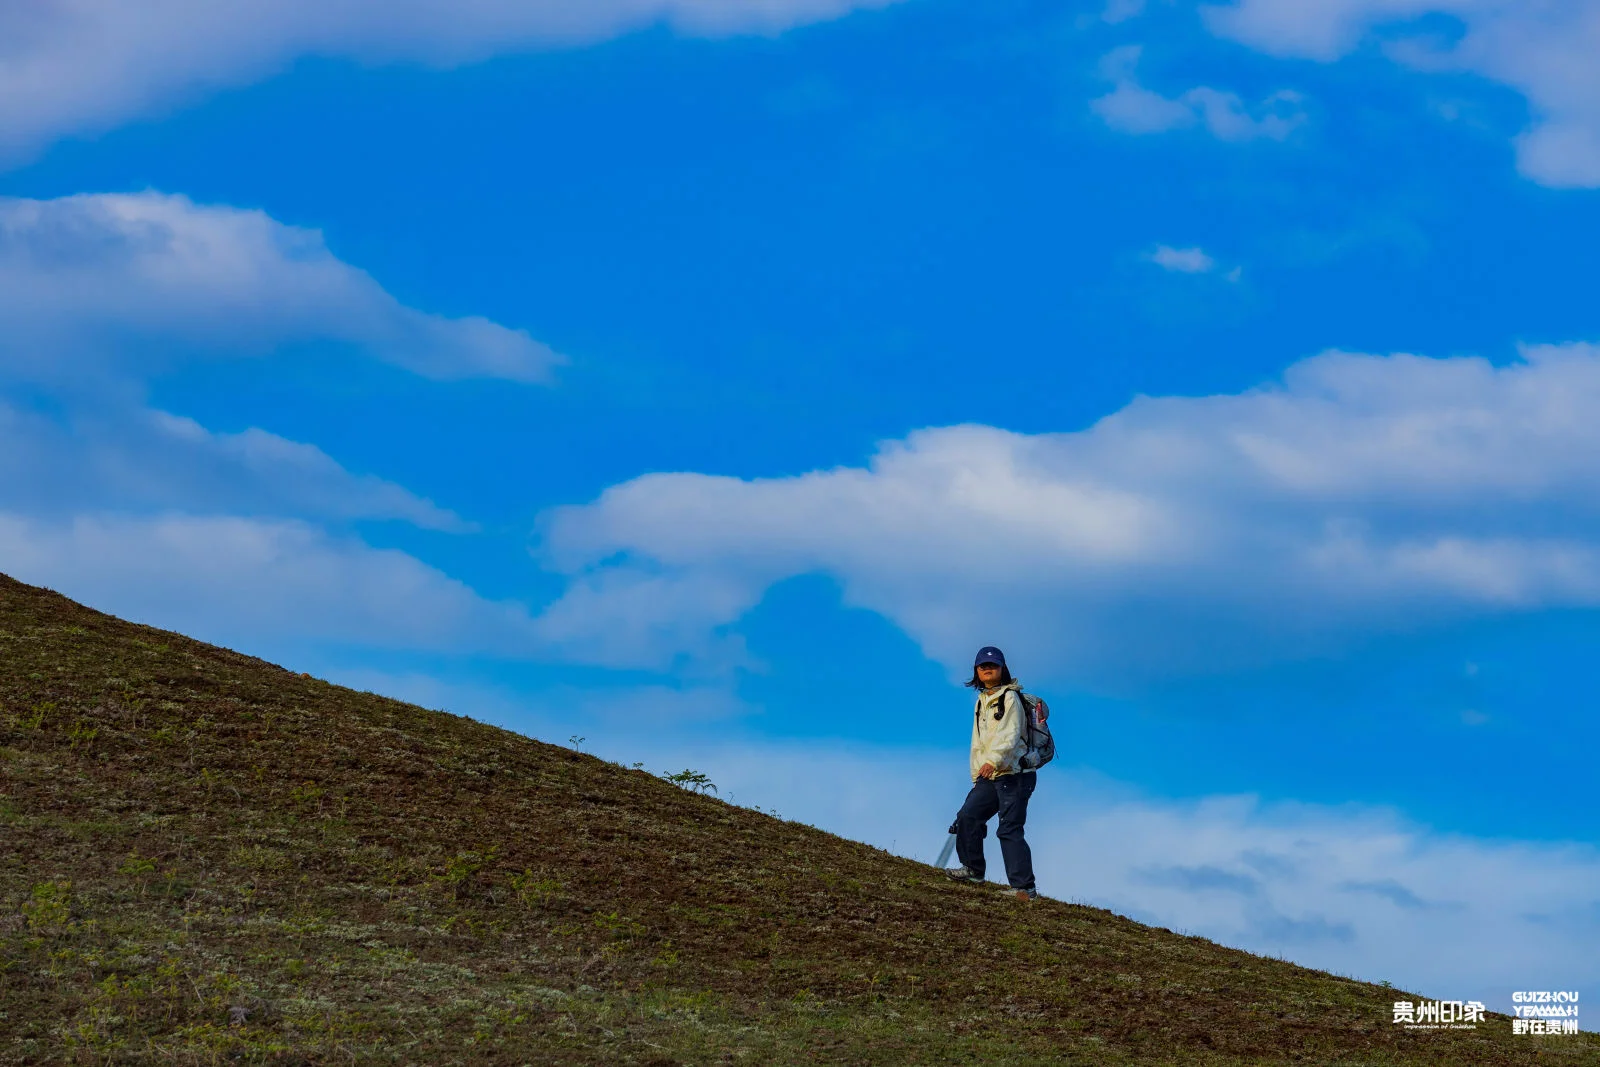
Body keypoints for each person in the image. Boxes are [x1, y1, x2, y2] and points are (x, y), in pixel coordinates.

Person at [944, 646, 1043, 901]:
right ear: (976, 671)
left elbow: (1009, 736)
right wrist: (978, 772)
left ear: (1002, 669)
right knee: (968, 816)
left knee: (1009, 828)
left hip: (1015, 773)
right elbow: (978, 742)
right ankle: (973, 870)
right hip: (989, 773)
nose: (988, 669)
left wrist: (993, 761)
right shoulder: (981, 701)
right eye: (983, 666)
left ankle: (1025, 889)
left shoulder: (1010, 698)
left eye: (993, 666)